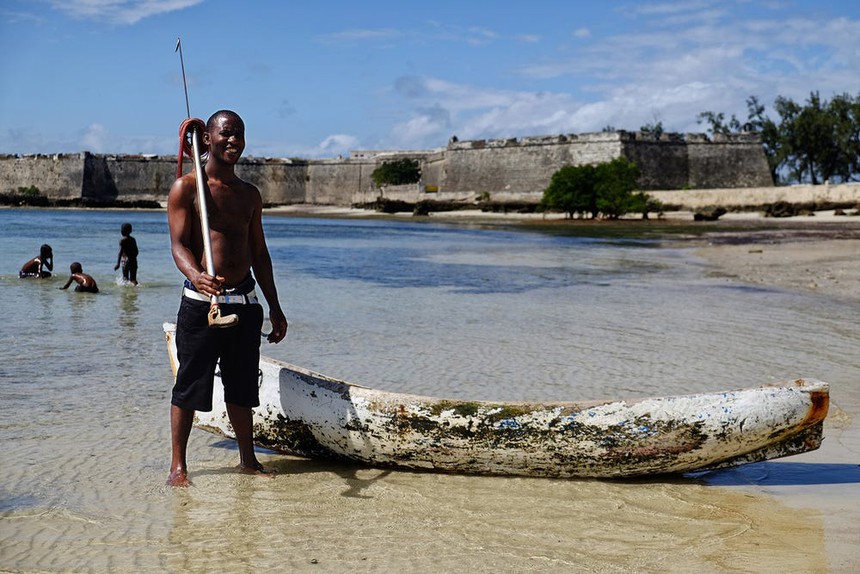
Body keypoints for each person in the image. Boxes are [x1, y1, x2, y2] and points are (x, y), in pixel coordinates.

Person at [167, 109, 288, 487]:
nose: (233, 140)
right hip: (203, 306)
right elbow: (178, 246)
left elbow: (260, 254)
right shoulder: (187, 188)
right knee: (190, 386)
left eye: (239, 134)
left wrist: (275, 308)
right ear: (207, 139)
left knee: (242, 388)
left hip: (245, 302)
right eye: (226, 134)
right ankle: (178, 467)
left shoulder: (249, 195)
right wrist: (196, 276)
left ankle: (247, 460)